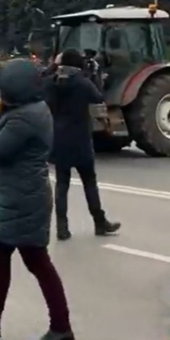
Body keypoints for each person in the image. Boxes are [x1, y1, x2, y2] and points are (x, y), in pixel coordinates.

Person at [0, 58, 74, 340]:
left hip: (25, 199)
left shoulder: (25, 117)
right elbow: (9, 128)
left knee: (37, 262)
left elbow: (0, 150)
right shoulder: (33, 108)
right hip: (20, 196)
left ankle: (61, 327)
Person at [46, 49, 120, 241]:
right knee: (89, 182)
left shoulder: (52, 82)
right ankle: (100, 222)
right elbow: (98, 97)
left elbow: (43, 94)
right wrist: (93, 75)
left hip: (59, 138)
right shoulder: (82, 82)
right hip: (80, 139)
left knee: (62, 184)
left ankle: (62, 228)